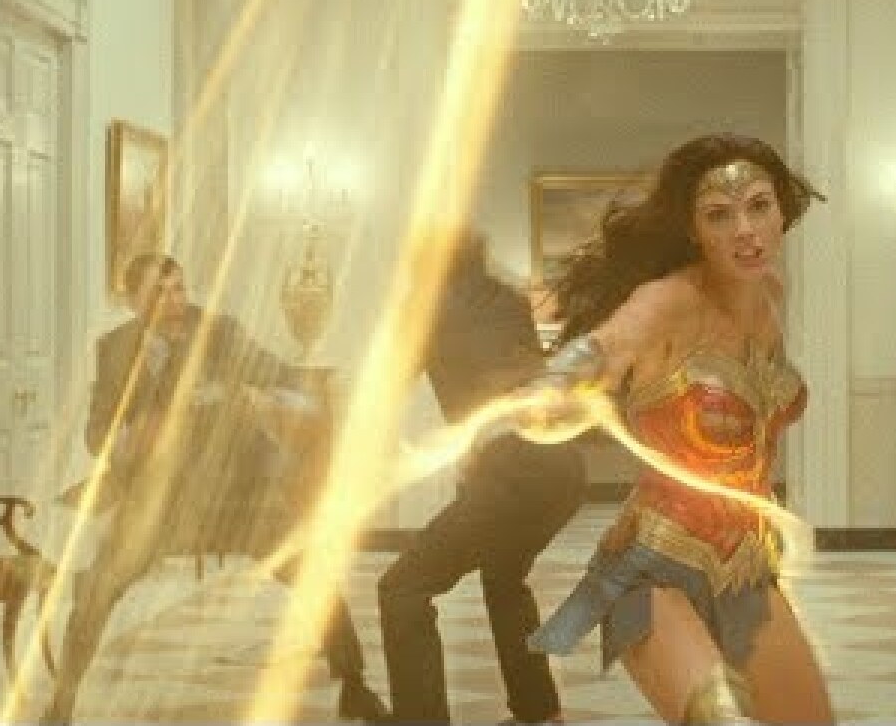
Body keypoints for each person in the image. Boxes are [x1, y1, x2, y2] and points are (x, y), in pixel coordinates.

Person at [525, 133, 835, 724]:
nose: (745, 230)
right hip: (654, 571)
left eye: (759, 206)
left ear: (782, 208)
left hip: (746, 568)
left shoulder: (769, 294)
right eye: (719, 215)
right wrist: (559, 382)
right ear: (693, 230)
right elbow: (611, 342)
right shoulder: (668, 300)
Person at [44, 253, 385, 723]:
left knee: (311, 574)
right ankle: (61, 706)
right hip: (157, 503)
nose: (174, 301)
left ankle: (356, 687)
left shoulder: (218, 332)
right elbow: (97, 433)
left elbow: (280, 375)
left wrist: (284, 395)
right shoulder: (115, 349)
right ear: (132, 301)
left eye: (179, 289)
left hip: (237, 491)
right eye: (158, 293)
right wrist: (134, 434)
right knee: (95, 590)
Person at [376, 233, 587, 725]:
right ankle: (539, 712)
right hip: (562, 468)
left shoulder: (426, 309)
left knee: (402, 589)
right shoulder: (508, 300)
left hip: (511, 473)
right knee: (505, 579)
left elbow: (386, 384)